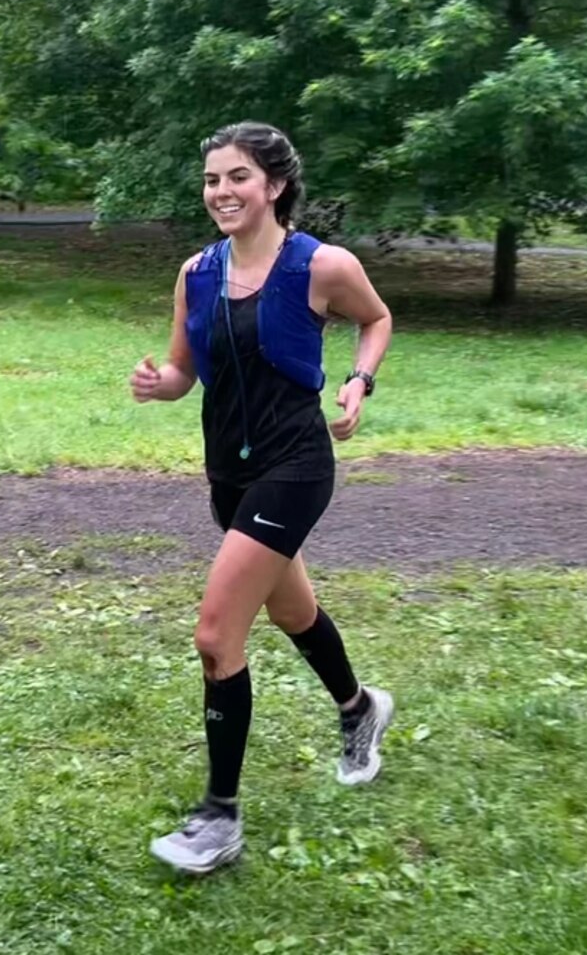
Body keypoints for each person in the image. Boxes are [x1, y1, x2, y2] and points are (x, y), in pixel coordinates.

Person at [129, 122, 395, 874]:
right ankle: (359, 709)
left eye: (237, 177)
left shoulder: (321, 266)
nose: (221, 192)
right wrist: (160, 387)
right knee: (292, 612)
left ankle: (219, 818)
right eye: (212, 180)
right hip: (230, 474)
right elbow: (185, 372)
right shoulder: (196, 274)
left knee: (217, 636)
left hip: (297, 465)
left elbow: (375, 320)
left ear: (274, 185)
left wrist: (358, 379)